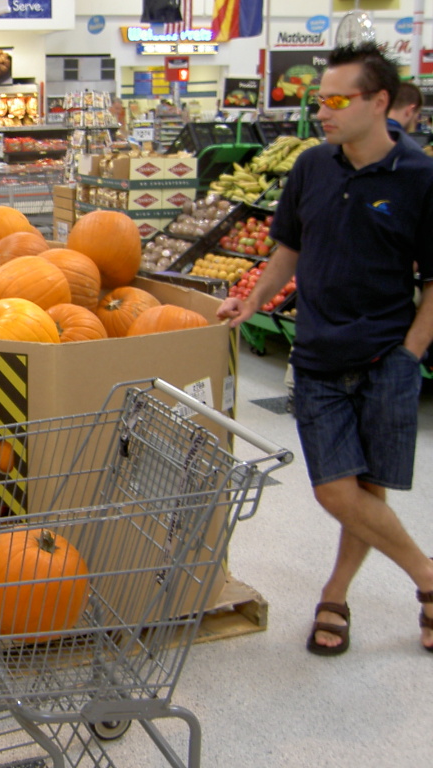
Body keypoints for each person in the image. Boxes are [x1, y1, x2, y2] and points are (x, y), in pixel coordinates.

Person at [217, 43, 433, 656]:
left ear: (380, 101)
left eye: (337, 100)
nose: (322, 112)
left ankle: (335, 595)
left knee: (367, 492)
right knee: (336, 491)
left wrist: (411, 353)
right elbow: (289, 247)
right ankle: (427, 575)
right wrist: (253, 301)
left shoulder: (420, 177)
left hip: (385, 357)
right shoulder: (312, 166)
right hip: (315, 356)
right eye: (319, 101)